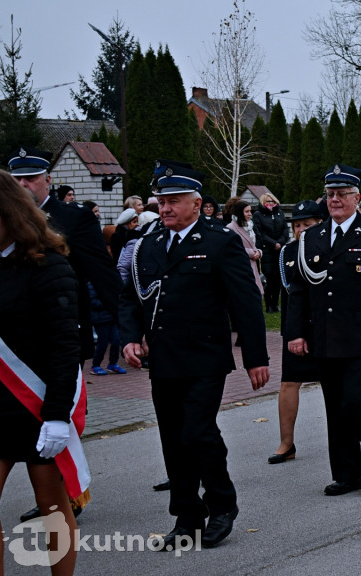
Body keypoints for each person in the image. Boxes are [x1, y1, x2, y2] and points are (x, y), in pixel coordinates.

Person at [119, 162, 270, 549]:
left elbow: (247, 303)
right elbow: (132, 296)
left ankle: (221, 505)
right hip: (165, 358)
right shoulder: (149, 244)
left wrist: (256, 357)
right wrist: (130, 337)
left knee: (197, 431)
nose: (165, 208)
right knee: (172, 437)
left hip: (206, 355)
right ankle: (187, 516)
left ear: (196, 203)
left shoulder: (219, 241)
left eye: (173, 201)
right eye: (161, 201)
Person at [11, 147, 121, 522]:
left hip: (63, 330)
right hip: (16, 339)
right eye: (18, 180)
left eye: (31, 178)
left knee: (61, 409)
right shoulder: (3, 220)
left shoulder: (72, 218)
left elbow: (100, 271)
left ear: (48, 180)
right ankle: (52, 493)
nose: (25, 186)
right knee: (29, 411)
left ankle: (68, 494)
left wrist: (129, 324)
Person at [285, 163, 361, 497]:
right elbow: (299, 289)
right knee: (336, 406)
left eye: (341, 194)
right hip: (324, 336)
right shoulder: (312, 236)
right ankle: (346, 473)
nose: (334, 199)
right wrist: (295, 333)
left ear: (356, 197)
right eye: (330, 194)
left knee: (358, 401)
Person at [0, 169, 84, 576]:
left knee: (52, 509)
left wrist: (58, 416)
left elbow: (66, 347)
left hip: (38, 406)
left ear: (8, 213)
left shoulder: (49, 265)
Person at [268, 200, 324, 465]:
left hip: (327, 327)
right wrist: (292, 332)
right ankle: (286, 442)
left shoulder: (329, 247)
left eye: (308, 225)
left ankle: (348, 436)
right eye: (297, 225)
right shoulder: (287, 252)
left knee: (336, 385)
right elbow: (287, 294)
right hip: (297, 327)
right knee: (289, 383)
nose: (301, 230)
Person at [254, 192, 289, 313]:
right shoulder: (258, 215)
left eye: (272, 201)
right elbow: (260, 232)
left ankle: (275, 303)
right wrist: (273, 244)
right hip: (267, 251)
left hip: (279, 251)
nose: (271, 203)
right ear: (264, 202)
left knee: (278, 279)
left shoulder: (280, 213)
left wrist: (280, 242)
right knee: (269, 279)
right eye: (268, 201)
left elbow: (285, 228)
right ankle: (268, 304)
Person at [225, 200, 265, 296]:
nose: (250, 214)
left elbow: (255, 243)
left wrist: (259, 252)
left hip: (253, 264)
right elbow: (232, 248)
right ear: (239, 212)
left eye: (250, 211)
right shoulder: (230, 227)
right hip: (240, 266)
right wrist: (252, 253)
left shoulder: (250, 225)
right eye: (246, 211)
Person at [88, 282, 126, 375]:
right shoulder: (92, 284)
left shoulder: (108, 281)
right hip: (100, 319)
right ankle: (95, 365)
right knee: (103, 343)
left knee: (116, 341)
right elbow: (92, 301)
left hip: (111, 318)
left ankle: (113, 364)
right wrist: (109, 302)